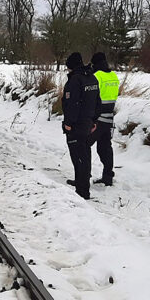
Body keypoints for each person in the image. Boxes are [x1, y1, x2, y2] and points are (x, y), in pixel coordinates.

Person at [61, 52, 100, 199]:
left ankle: (82, 191)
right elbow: (98, 101)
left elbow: (72, 104)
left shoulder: (75, 81)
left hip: (77, 124)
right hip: (88, 123)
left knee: (78, 156)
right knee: (85, 153)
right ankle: (81, 182)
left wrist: (68, 124)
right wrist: (94, 121)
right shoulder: (91, 77)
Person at [89, 52, 120, 185]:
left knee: (84, 145)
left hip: (97, 119)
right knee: (106, 148)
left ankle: (83, 176)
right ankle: (108, 177)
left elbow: (91, 98)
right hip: (109, 118)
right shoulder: (114, 76)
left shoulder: (96, 76)